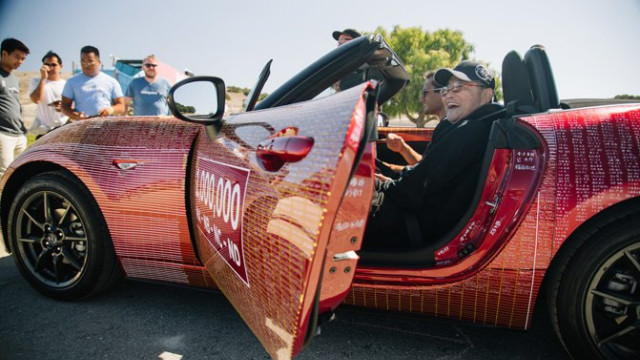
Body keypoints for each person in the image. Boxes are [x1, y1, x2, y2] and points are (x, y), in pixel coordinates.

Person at [364, 60, 502, 249]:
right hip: (418, 217)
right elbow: (426, 175)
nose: (448, 93)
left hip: (414, 227)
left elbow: (413, 192)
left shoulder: (471, 132)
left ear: (485, 96)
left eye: (458, 87)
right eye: (446, 88)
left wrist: (383, 184)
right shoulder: (466, 127)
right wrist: (386, 180)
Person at [380, 71, 448, 173]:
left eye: (425, 93)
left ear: (443, 92)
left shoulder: (449, 130)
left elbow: (427, 171)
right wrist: (402, 148)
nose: (421, 99)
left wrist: (387, 169)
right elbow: (425, 165)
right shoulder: (443, 127)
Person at [61, 45, 125, 120]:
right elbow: (64, 107)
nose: (86, 65)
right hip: (81, 126)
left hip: (105, 125)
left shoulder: (111, 81)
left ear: (99, 62)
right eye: (83, 61)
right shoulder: (72, 81)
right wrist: (76, 115)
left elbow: (121, 106)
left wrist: (110, 110)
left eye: (90, 61)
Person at [0, 38, 29, 178]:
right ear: (4, 54)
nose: (20, 62)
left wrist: (22, 129)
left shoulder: (14, 78)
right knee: (4, 173)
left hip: (18, 134)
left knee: (20, 173)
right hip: (3, 134)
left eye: (23, 59)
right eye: (17, 57)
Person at [28, 51, 68, 137]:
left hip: (63, 128)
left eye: (53, 65)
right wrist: (43, 78)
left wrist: (63, 107)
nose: (50, 68)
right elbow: (36, 99)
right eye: (47, 64)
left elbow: (73, 107)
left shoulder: (67, 84)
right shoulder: (36, 81)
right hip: (43, 131)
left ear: (61, 66)